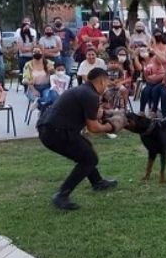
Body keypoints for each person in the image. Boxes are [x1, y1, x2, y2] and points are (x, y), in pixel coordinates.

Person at [37, 68, 120, 211]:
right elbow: (93, 128)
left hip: (48, 129)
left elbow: (88, 115)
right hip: (56, 132)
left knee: (85, 149)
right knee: (89, 159)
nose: (107, 87)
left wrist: (100, 114)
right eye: (106, 83)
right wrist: (111, 127)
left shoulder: (82, 90)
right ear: (101, 81)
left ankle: (97, 181)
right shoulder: (90, 95)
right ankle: (61, 195)